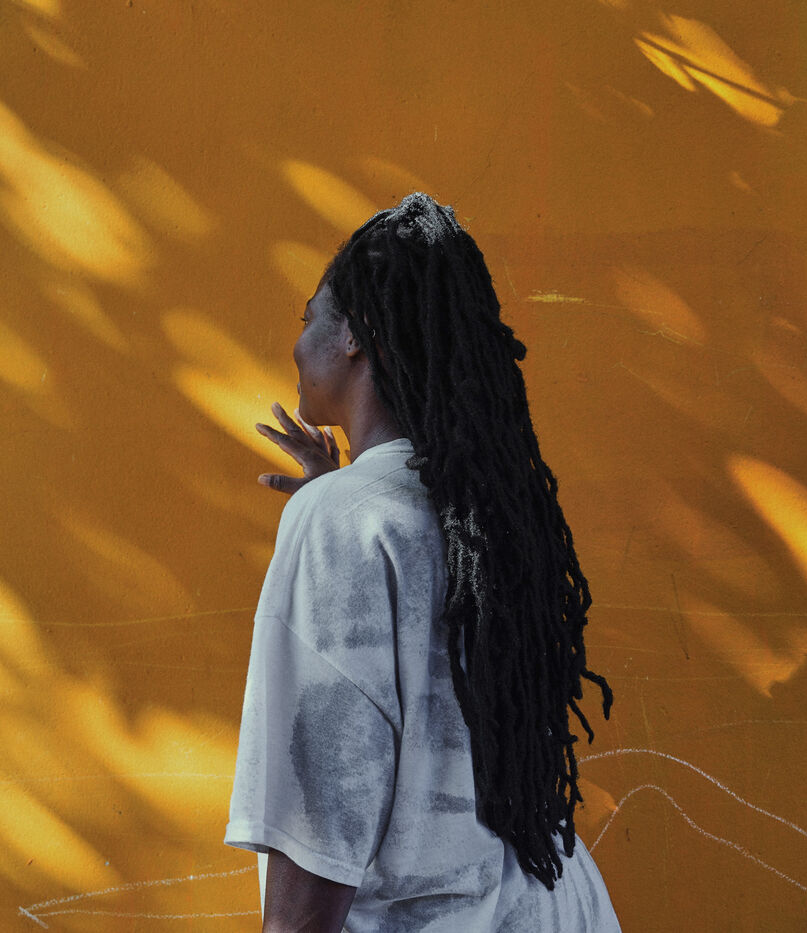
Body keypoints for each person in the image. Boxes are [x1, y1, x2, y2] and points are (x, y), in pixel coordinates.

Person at [225, 192, 620, 932]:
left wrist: (337, 510)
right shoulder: (492, 517)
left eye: (309, 318)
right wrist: (344, 499)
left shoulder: (346, 522)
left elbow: (318, 838)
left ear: (354, 333)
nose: (297, 345)